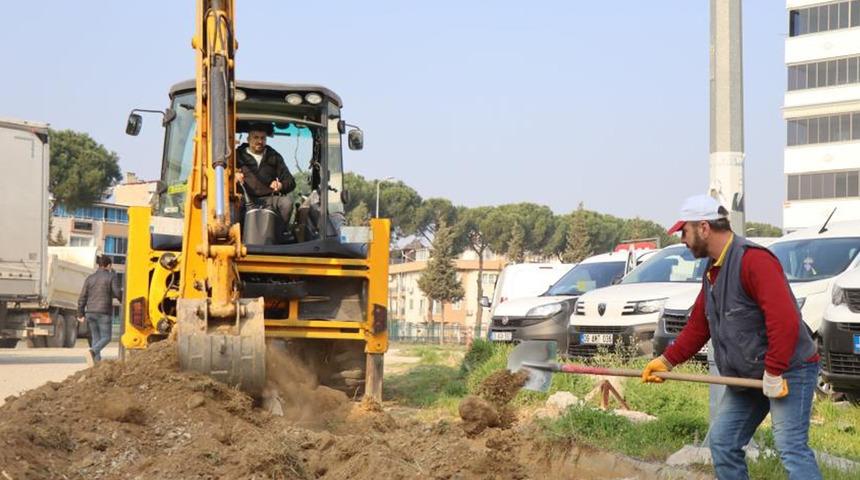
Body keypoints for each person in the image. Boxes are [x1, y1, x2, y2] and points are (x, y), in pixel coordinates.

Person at [641, 194, 821, 480]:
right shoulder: (713, 269)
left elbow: (785, 321)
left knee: (791, 447)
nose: (682, 240)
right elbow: (700, 324)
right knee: (723, 442)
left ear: (703, 227)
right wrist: (667, 360)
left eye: (684, 231)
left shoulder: (754, 261)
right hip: (750, 373)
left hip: (789, 369)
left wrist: (773, 371)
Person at [235, 124, 296, 226]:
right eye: (256, 137)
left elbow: (290, 182)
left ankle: (278, 234)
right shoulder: (237, 155)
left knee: (286, 203)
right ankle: (238, 235)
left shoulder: (274, 156)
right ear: (248, 139)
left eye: (263, 138)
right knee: (231, 205)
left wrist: (280, 185)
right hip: (244, 198)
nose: (260, 141)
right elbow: (222, 174)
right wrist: (233, 176)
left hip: (269, 199)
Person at [77, 255, 122, 365]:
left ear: (99, 265)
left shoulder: (90, 278)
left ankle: (96, 363)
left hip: (90, 312)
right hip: (103, 312)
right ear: (109, 265)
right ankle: (92, 352)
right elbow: (117, 292)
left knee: (96, 338)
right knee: (106, 337)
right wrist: (122, 299)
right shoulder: (111, 277)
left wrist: (80, 313)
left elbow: (82, 296)